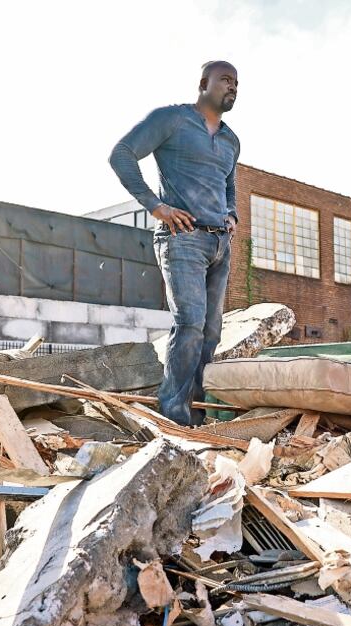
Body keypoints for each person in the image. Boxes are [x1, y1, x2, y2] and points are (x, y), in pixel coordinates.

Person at [109, 61, 240, 426]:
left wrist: (232, 215)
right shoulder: (171, 119)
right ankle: (173, 415)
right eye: (225, 80)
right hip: (182, 240)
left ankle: (196, 414)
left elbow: (229, 184)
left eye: (236, 83)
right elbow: (121, 154)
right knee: (190, 324)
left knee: (211, 332)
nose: (233, 87)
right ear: (203, 84)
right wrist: (156, 206)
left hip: (219, 245)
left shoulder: (231, 139)